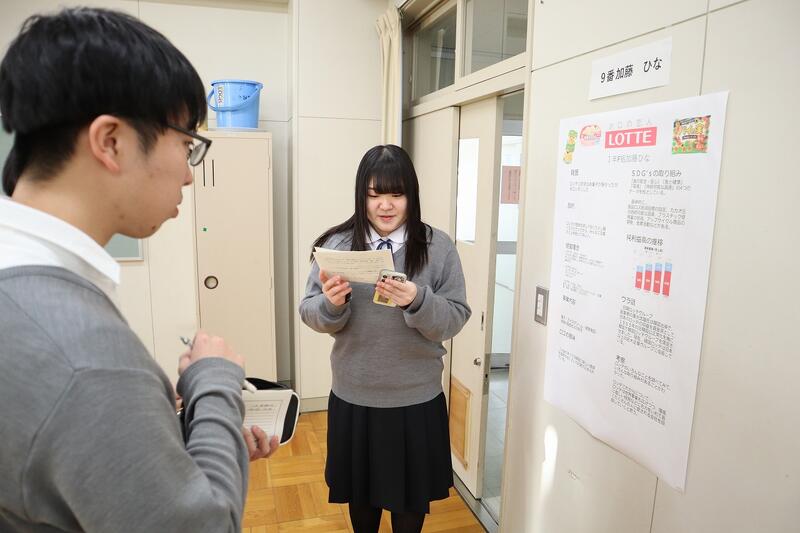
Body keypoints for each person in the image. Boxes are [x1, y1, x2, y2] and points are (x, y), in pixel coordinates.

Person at [0, 8, 277, 532]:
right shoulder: (83, 357)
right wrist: (214, 380)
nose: (189, 176)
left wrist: (173, 435)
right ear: (111, 141)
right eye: (186, 144)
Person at [299, 144, 471, 533]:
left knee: (410, 504)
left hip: (416, 399)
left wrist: (417, 301)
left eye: (397, 194)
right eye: (374, 195)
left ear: (412, 195)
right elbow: (308, 311)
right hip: (354, 396)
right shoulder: (337, 244)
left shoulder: (438, 247)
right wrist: (331, 305)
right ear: (361, 196)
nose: (386, 206)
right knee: (361, 502)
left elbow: (455, 318)